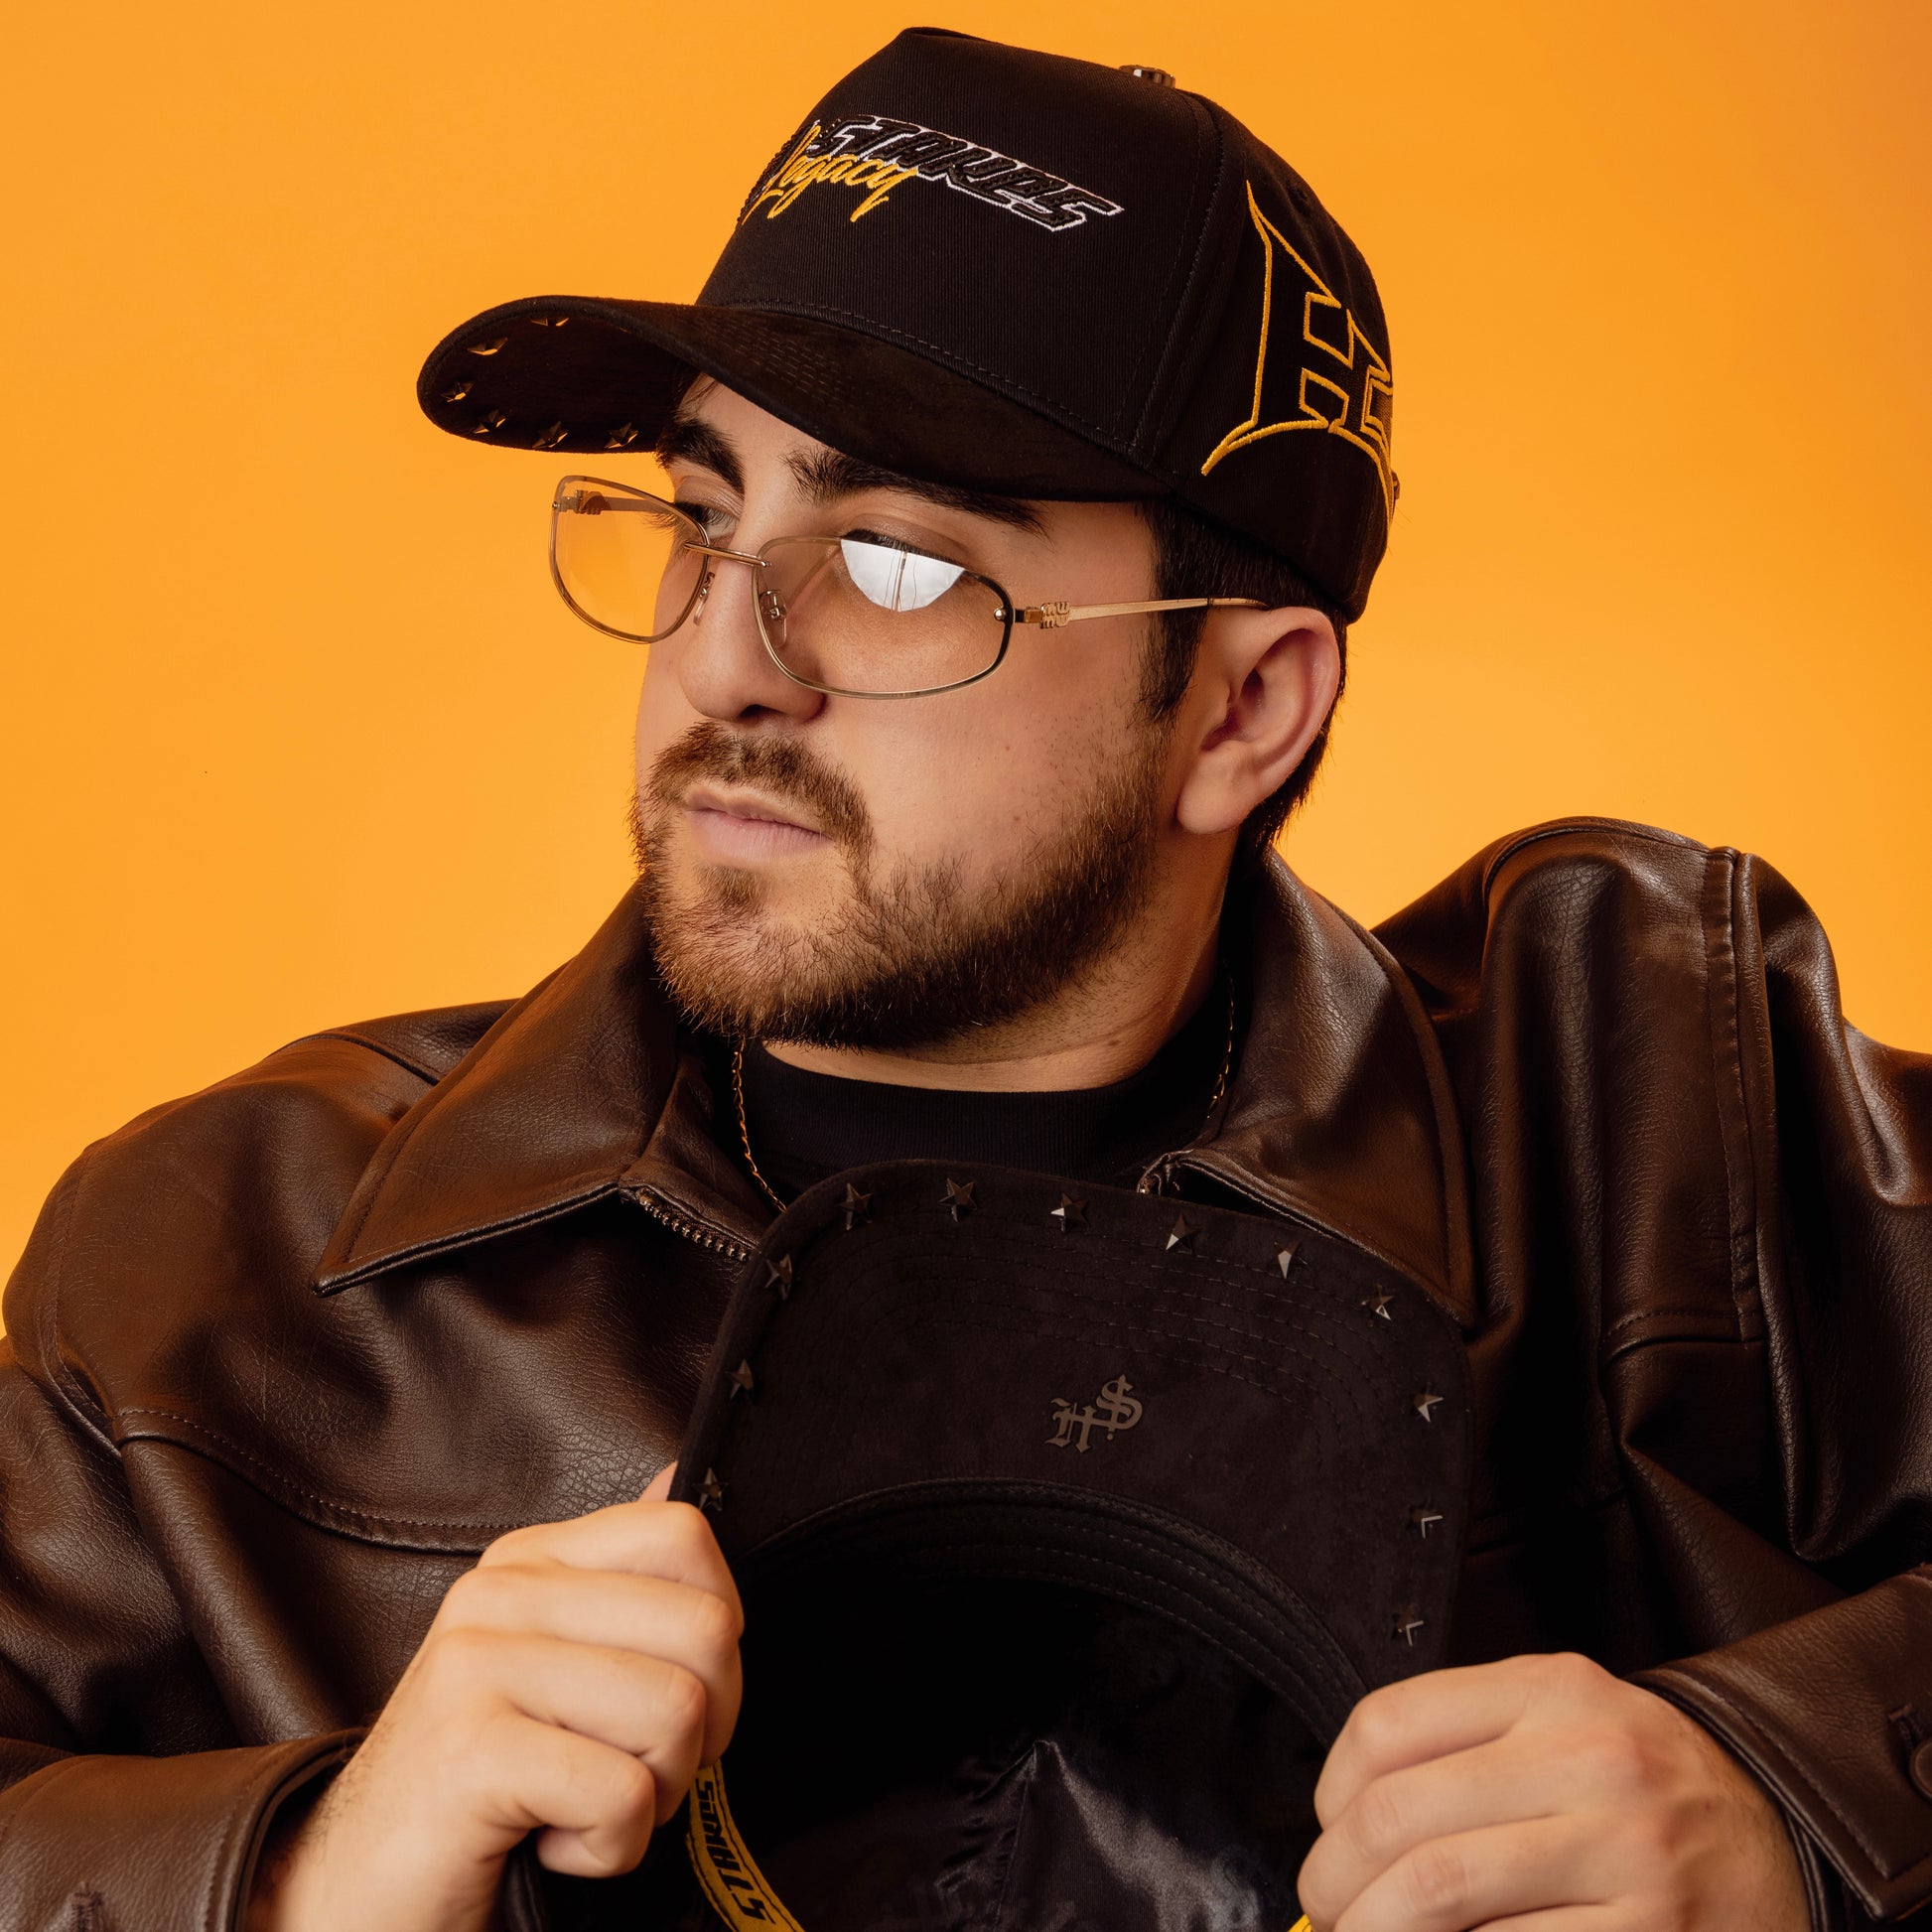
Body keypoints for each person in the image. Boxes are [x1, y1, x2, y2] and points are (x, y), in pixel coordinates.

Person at [3, 26, 1929, 1932]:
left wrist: (1792, 1796)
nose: (724, 659)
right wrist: (301, 1875)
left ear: (1240, 710)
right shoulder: (220, 1271)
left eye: (900, 564)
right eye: (701, 517)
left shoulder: (1659, 1128)